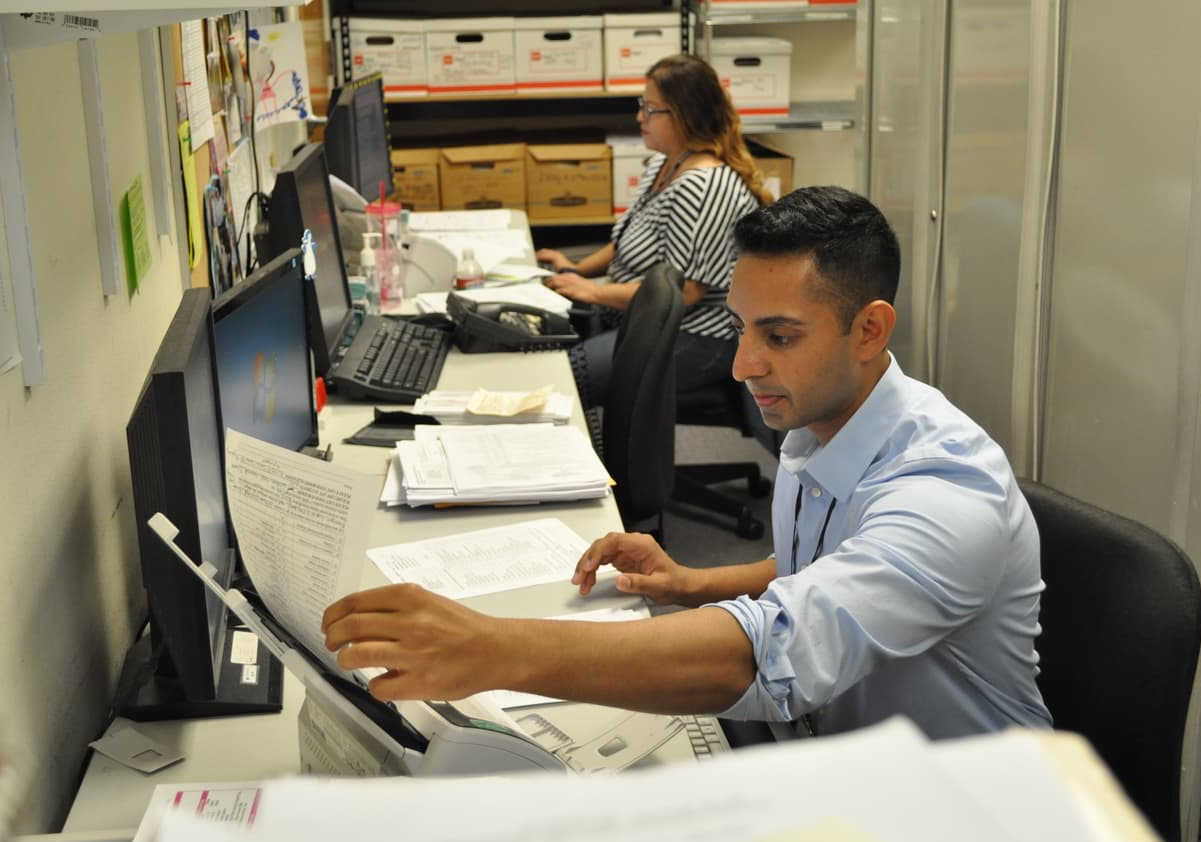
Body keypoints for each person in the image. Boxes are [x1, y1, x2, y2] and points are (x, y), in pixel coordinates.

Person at [322, 186, 1052, 740]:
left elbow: (771, 655)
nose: (742, 365)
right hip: (842, 757)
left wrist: (492, 649)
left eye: (781, 335)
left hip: (961, 810)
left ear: (870, 329)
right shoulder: (823, 419)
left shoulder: (947, 493)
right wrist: (692, 581)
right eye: (741, 327)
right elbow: (827, 566)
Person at [535, 54, 771, 406]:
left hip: (696, 334)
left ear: (684, 114)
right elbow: (626, 240)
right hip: (647, 318)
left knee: (569, 375)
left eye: (650, 109)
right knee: (541, 338)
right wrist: (574, 269)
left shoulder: (704, 185)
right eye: (640, 106)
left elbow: (685, 292)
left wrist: (594, 293)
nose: (639, 117)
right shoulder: (664, 163)